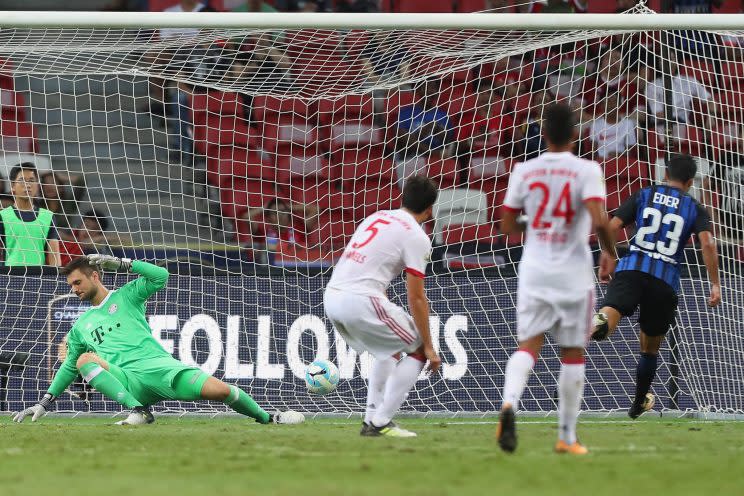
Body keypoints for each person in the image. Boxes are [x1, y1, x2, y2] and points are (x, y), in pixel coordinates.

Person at [12, 255, 304, 426]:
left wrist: (124, 264)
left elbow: (160, 276)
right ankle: (139, 411)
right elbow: (69, 368)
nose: (74, 289)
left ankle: (270, 418)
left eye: (78, 282)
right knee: (84, 359)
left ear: (95, 276)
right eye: (71, 285)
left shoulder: (126, 295)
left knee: (222, 391)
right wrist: (45, 402)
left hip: (161, 369)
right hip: (127, 381)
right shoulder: (80, 326)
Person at [498, 103, 617, 455]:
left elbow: (506, 225)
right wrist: (609, 252)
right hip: (573, 272)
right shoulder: (587, 169)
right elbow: (598, 220)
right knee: (573, 351)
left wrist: (536, 222)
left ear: (544, 134)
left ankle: (508, 404)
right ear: (576, 134)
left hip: (535, 268)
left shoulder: (525, 170)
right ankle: (566, 437)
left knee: (528, 345)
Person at [591, 154, 721, 418]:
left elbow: (612, 225)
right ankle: (639, 402)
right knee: (649, 348)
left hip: (632, 268)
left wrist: (608, 254)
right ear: (689, 182)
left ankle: (596, 324)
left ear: (665, 175)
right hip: (665, 280)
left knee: (610, 311)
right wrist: (715, 284)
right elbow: (707, 243)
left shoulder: (645, 194)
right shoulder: (695, 207)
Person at [324, 176, 441, 438]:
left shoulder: (377, 216)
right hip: (360, 299)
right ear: (430, 209)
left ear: (403, 198)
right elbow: (417, 298)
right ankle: (381, 422)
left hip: (332, 296)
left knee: (388, 352)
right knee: (418, 351)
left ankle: (371, 420)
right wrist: (430, 346)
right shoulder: (417, 237)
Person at [0, 163, 60, 266]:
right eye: (22, 180)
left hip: (38, 278)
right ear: (12, 186)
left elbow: (55, 258)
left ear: (37, 185)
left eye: (32, 180)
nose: (27, 185)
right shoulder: (2, 216)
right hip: (9, 277)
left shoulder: (48, 216)